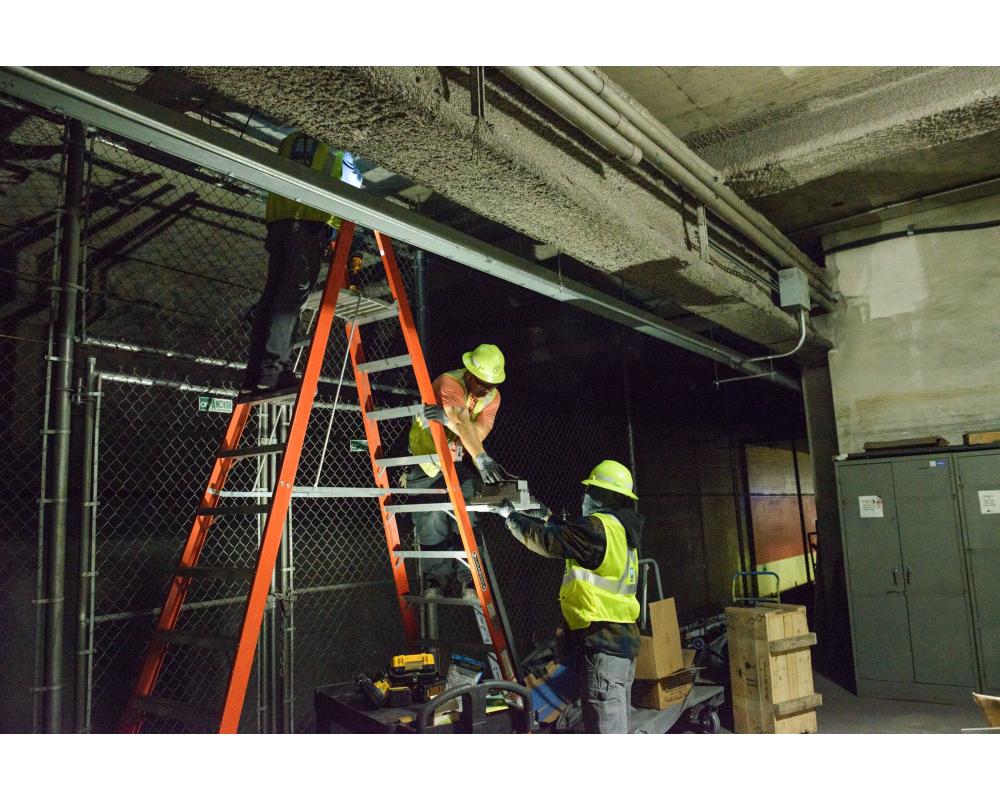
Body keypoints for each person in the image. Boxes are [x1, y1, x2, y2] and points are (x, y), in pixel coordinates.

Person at [488, 459, 643, 734]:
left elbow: (550, 542)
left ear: (604, 495)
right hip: (619, 643)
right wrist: (547, 515)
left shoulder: (599, 527)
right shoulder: (618, 529)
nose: (585, 496)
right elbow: (574, 537)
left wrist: (510, 517)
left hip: (605, 647)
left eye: (590, 490)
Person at [241, 131, 364, 393]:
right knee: (290, 298)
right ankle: (273, 371)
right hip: (309, 224)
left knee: (272, 295)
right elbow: (353, 183)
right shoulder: (336, 145)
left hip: (279, 222)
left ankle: (256, 372)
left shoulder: (291, 139)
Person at [406, 343, 508, 598]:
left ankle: (471, 580)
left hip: (454, 459)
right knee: (429, 518)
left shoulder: (492, 398)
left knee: (467, 513)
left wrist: (447, 420)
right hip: (425, 459)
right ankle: (436, 581)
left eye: (491, 384)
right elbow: (463, 422)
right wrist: (481, 457)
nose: (486, 389)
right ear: (469, 373)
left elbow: (479, 432)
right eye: (482, 383)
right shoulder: (449, 383)